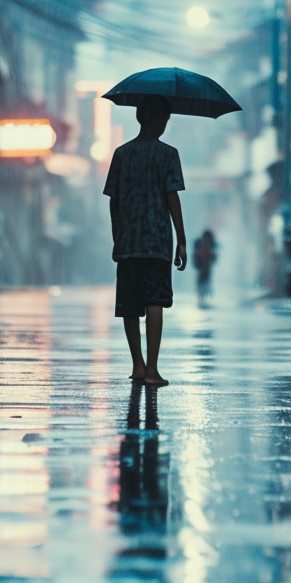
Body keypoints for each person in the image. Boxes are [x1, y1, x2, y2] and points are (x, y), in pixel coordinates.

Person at [104, 94, 186, 387]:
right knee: (154, 302)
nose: (165, 124)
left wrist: (118, 234)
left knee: (129, 304)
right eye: (164, 119)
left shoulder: (122, 154)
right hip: (158, 242)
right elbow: (171, 197)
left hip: (128, 241)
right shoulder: (168, 155)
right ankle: (152, 369)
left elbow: (113, 200)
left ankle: (138, 365)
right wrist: (182, 239)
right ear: (158, 120)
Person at [193, 230, 217, 307]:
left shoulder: (210, 245)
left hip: (206, 267)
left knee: (205, 282)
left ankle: (204, 298)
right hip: (201, 267)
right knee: (202, 282)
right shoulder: (200, 244)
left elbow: (214, 257)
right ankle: (201, 298)